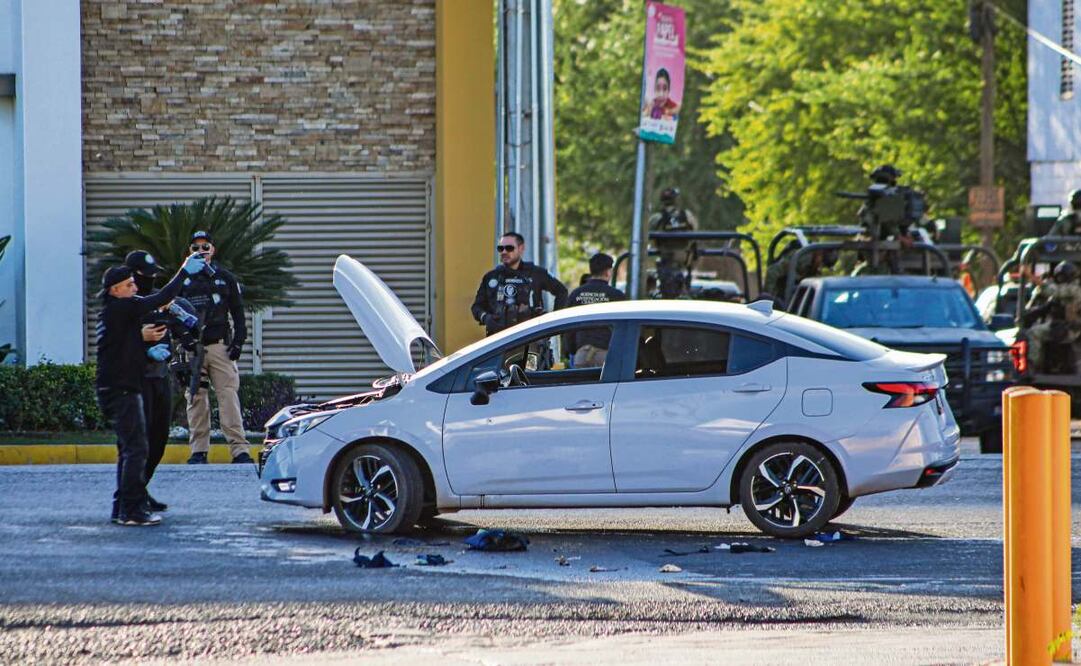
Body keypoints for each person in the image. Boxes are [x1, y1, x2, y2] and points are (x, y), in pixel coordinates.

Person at [96, 252, 207, 525]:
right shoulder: (122, 308)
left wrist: (148, 349)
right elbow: (156, 300)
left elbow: (125, 344)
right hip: (123, 389)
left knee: (136, 448)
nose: (135, 287)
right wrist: (183, 271)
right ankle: (131, 510)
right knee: (135, 449)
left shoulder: (120, 311)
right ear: (115, 289)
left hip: (127, 385)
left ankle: (125, 504)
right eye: (129, 284)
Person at [178, 231, 252, 465]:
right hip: (193, 348)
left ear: (213, 250)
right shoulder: (182, 279)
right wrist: (184, 341)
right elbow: (172, 311)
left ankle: (239, 450)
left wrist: (239, 341)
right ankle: (198, 450)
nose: (201, 251)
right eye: (195, 248)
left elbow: (238, 313)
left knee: (228, 396)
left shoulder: (225, 278)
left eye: (205, 247)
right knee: (196, 399)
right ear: (189, 252)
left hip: (220, 346)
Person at [472, 232, 568, 336]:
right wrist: (486, 318)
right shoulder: (491, 277)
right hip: (498, 340)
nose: (504, 252)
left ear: (521, 248)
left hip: (530, 338)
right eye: (501, 248)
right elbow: (477, 307)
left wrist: (552, 322)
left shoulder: (536, 273)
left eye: (509, 248)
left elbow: (562, 291)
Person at [566, 253, 625, 367]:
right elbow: (624, 327)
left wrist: (572, 350)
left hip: (581, 354)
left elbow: (568, 328)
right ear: (608, 272)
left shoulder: (576, 294)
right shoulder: (616, 295)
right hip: (607, 355)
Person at [1023, 260, 1081, 374]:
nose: (1059, 279)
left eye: (1061, 277)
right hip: (1061, 325)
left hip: (1070, 329)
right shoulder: (1068, 289)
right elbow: (1047, 306)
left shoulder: (1074, 289)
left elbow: (1053, 291)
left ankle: (1032, 365)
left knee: (1034, 333)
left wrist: (1033, 278)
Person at [648, 187, 697, 298]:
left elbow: (648, 234)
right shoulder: (686, 215)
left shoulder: (657, 218)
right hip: (683, 260)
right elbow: (695, 231)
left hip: (666, 259)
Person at [763, 242, 838, 300]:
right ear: (820, 256)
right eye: (822, 264)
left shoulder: (813, 264)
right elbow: (772, 271)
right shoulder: (802, 258)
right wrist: (769, 299)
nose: (820, 267)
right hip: (781, 296)